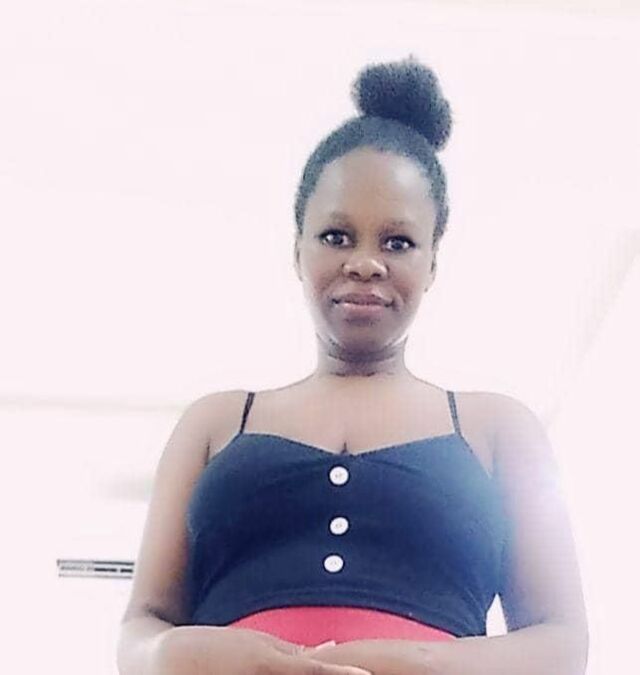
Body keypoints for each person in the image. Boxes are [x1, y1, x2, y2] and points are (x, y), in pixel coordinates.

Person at [116, 55, 588, 675]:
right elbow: (142, 625)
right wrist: (172, 653)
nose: (366, 262)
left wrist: (416, 664)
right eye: (337, 236)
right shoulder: (215, 422)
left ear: (432, 262)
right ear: (298, 250)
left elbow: (562, 643)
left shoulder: (499, 427)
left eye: (398, 242)